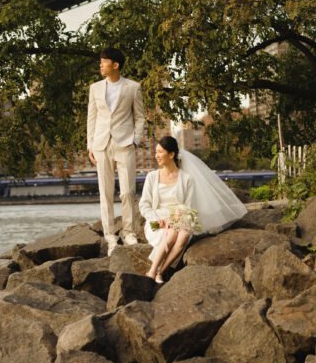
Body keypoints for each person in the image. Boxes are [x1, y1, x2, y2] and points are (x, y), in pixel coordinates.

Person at [139, 134, 247, 282]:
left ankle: (160, 271)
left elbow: (187, 206)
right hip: (156, 220)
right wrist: (158, 220)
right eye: (156, 152)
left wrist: (176, 219)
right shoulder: (152, 177)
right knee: (170, 235)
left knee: (183, 237)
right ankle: (152, 272)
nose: (156, 155)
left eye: (160, 152)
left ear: (171, 154)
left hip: (179, 217)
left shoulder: (186, 179)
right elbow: (144, 204)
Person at [87, 47, 145, 253]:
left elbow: (140, 117)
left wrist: (135, 140)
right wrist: (90, 145)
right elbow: (91, 118)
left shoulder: (133, 87)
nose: (100, 65)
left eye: (104, 62)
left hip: (125, 144)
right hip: (101, 145)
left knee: (128, 192)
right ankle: (110, 236)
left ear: (115, 65)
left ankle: (129, 233)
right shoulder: (94, 88)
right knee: (105, 192)